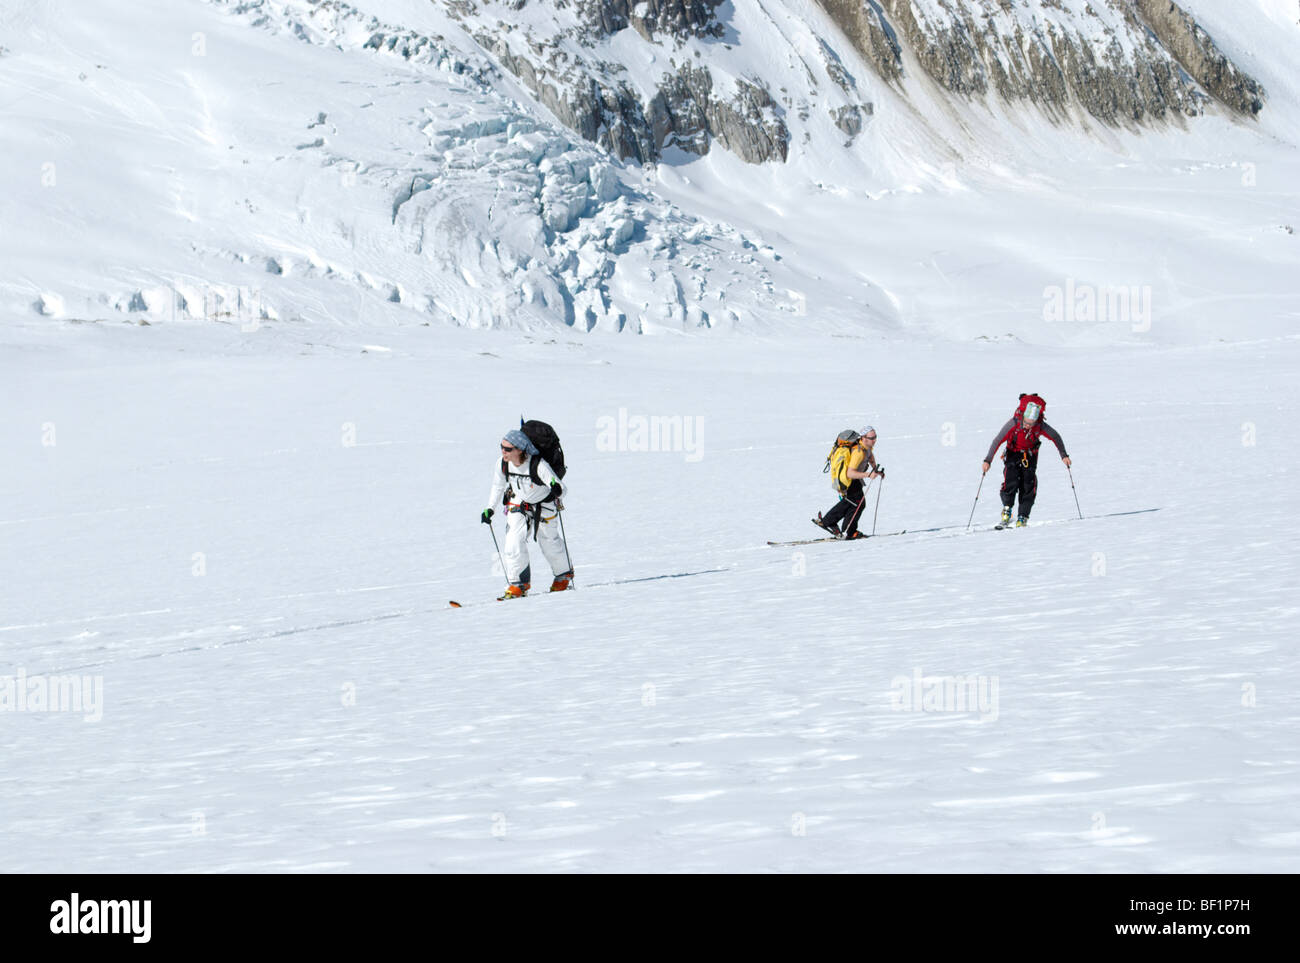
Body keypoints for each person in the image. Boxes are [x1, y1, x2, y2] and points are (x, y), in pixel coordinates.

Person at [483, 429, 573, 598]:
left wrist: (556, 489)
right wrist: (490, 508)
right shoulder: (502, 463)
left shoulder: (538, 465)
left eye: (508, 449)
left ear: (520, 450)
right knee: (512, 542)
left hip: (544, 505)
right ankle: (518, 584)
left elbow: (562, 489)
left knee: (549, 542)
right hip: (519, 502)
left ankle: (563, 575)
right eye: (501, 447)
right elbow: (498, 485)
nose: (503, 451)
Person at [981, 394, 1071, 527]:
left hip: (1030, 456)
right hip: (1012, 454)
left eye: (1031, 424)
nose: (1028, 426)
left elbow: (1055, 437)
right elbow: (998, 440)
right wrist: (988, 460)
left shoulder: (1040, 426)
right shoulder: (1014, 423)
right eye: (1026, 423)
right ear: (1023, 417)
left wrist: (1064, 455)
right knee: (1010, 482)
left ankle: (1023, 516)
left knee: (1028, 486)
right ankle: (1007, 509)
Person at [815, 426, 884, 540]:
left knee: (855, 503)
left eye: (875, 437)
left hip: (854, 480)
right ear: (863, 438)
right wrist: (868, 474)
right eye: (872, 438)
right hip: (848, 480)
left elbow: (870, 457)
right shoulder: (858, 452)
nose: (875, 440)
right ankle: (844, 529)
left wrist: (875, 469)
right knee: (856, 503)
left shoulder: (866, 447)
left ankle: (833, 523)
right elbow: (850, 473)